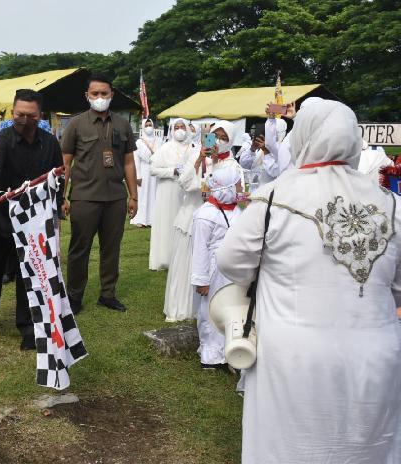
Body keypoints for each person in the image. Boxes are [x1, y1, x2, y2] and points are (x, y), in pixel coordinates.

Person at [217, 99, 401, 463]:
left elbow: (231, 261)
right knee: (366, 446)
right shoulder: (390, 203)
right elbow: (396, 284)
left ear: (302, 136)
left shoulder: (275, 196)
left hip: (293, 356)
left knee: (292, 447)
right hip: (376, 352)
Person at [0, 89, 64, 350]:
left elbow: (58, 177)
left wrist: (57, 206)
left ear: (40, 115)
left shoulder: (50, 143)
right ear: (13, 113)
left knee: (31, 273)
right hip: (1, 219)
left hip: (35, 220)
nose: (24, 120)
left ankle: (28, 328)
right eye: (19, 115)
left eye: (30, 115)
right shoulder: (2, 140)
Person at [61, 74, 138, 313]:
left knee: (111, 249)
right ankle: (74, 297)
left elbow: (129, 163)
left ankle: (108, 294)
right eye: (95, 93)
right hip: (84, 196)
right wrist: (61, 196)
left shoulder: (123, 124)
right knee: (79, 249)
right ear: (87, 96)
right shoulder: (76, 124)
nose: (100, 98)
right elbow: (65, 163)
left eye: (104, 93)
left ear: (111, 95)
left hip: (115, 197)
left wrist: (133, 195)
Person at [190, 167, 242, 370]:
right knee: (211, 311)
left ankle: (230, 351)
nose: (241, 188)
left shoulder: (237, 209)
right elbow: (200, 250)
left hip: (233, 272)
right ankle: (211, 355)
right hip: (214, 272)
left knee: (232, 310)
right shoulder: (205, 215)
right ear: (227, 187)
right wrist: (201, 280)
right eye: (237, 184)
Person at [149, 118, 192, 270]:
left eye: (182, 127)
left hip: (186, 192)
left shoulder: (193, 148)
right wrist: (171, 171)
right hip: (168, 190)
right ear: (172, 130)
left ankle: (183, 258)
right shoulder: (165, 147)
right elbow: (153, 169)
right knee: (167, 221)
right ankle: (165, 258)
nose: (179, 130)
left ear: (187, 129)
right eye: (176, 127)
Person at [130, 118, 159, 228]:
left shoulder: (159, 140)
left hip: (155, 171)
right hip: (144, 170)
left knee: (154, 195)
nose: (148, 127)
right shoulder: (139, 142)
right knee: (143, 195)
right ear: (142, 127)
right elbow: (135, 159)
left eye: (150, 125)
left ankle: (152, 219)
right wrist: (138, 175)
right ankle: (141, 219)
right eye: (146, 125)